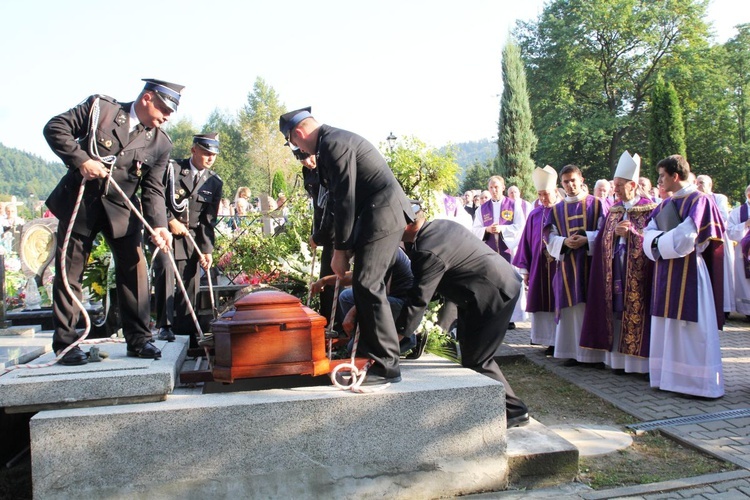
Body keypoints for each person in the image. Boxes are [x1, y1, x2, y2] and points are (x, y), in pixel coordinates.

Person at [43, 78, 182, 365]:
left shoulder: (160, 143)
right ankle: (67, 344)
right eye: (164, 109)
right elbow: (55, 128)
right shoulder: (101, 109)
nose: (167, 117)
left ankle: (140, 339)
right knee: (70, 272)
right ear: (147, 98)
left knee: (135, 270)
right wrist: (81, 159)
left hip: (121, 209)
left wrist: (158, 225)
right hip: (81, 203)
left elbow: (153, 189)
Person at [280, 107, 414, 384]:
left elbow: (344, 199)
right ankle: (370, 354)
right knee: (366, 286)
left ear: (298, 133)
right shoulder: (331, 142)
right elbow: (335, 203)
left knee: (367, 284)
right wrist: (328, 238)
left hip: (383, 214)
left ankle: (387, 364)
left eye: (294, 142)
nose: (298, 148)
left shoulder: (332, 144)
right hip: (375, 215)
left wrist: (341, 251)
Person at [399, 210, 529, 428]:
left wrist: (399, 335)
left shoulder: (429, 249)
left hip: (495, 292)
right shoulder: (436, 227)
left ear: (408, 226)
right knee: (470, 356)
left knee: (479, 359)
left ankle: (515, 410)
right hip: (477, 295)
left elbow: (419, 299)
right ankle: (489, 406)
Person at [643, 154, 725, 398]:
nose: (659, 181)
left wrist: (659, 243)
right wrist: (657, 242)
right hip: (666, 270)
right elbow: (647, 234)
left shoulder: (700, 201)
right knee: (666, 327)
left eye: (662, 176)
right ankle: (668, 379)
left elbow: (688, 237)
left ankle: (695, 384)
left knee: (691, 329)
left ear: (675, 176)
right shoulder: (665, 205)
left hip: (690, 271)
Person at [580, 151, 656, 374]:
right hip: (615, 268)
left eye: (620, 185)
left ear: (632, 185)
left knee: (636, 313)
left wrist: (632, 232)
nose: (616, 190)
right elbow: (604, 237)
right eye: (615, 185)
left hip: (639, 272)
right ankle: (617, 362)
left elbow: (653, 239)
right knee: (616, 310)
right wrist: (613, 234)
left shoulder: (649, 209)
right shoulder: (613, 210)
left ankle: (639, 366)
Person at [152, 133, 223, 347]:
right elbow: (154, 197)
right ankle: (164, 325)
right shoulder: (171, 170)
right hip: (165, 232)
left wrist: (207, 250)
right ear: (194, 150)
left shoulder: (214, 181)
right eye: (206, 153)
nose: (210, 158)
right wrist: (170, 220)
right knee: (165, 271)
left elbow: (208, 220)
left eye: (214, 155)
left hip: (190, 236)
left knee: (189, 279)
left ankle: (185, 328)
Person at [544, 164, 607, 367]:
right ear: (560, 184)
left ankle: (593, 355)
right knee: (570, 309)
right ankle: (572, 352)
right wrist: (563, 242)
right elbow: (548, 235)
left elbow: (606, 232)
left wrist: (587, 240)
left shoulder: (596, 204)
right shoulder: (556, 209)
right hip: (567, 266)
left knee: (590, 306)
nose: (570, 185)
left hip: (592, 266)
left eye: (573, 180)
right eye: (565, 182)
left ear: (581, 180)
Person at [513, 166, 560, 354]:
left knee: (558, 302)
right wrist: (525, 270)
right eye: (540, 194)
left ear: (555, 191)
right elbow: (526, 242)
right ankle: (544, 339)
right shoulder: (534, 214)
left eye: (546, 194)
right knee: (541, 301)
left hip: (558, 266)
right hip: (538, 267)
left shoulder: (563, 211)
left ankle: (559, 341)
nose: (542, 198)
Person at [471, 175, 528, 328]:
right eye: (491, 187)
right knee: (492, 282)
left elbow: (520, 227)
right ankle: (494, 315)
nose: (494, 190)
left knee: (510, 281)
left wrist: (502, 229)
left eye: (496, 187)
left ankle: (511, 318)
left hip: (509, 250)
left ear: (503, 187)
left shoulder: (513, 205)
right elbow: (474, 229)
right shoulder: (482, 209)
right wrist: (487, 229)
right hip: (490, 251)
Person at [296, 148, 335, 325]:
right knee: (325, 276)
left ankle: (335, 323)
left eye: (308, 157)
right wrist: (315, 232)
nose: (306, 163)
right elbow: (317, 206)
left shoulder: (327, 169)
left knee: (332, 277)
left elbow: (332, 207)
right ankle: (326, 320)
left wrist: (320, 235)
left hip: (336, 230)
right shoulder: (308, 171)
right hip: (322, 228)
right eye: (301, 159)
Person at [696, 174, 734, 318]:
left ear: (710, 185)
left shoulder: (719, 198)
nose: (698, 185)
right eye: (696, 183)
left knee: (720, 273)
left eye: (702, 183)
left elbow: (723, 217)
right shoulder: (695, 199)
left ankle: (723, 307)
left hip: (717, 239)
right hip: (700, 240)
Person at [727, 184, 750, 318]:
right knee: (746, 281)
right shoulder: (737, 212)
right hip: (744, 253)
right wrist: (745, 224)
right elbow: (730, 232)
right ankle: (748, 311)